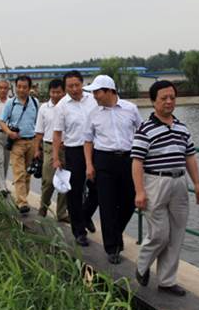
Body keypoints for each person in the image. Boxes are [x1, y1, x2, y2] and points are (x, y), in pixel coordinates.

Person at [131, 80, 199, 296]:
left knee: (177, 234)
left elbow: (190, 156)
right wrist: (139, 191)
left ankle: (167, 280)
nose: (169, 101)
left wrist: (197, 184)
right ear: (153, 101)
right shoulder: (145, 129)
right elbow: (137, 161)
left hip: (179, 182)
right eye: (164, 98)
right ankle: (142, 265)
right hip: (156, 182)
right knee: (160, 234)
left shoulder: (182, 127)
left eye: (172, 97)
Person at [83, 75, 142, 264]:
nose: (94, 96)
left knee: (130, 201)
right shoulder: (93, 113)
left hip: (128, 159)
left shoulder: (131, 109)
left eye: (97, 92)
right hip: (104, 160)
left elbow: (142, 132)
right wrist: (89, 165)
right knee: (107, 204)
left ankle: (116, 232)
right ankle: (112, 247)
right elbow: (88, 141)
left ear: (109, 91)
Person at [53, 70, 99, 247]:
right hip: (74, 150)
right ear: (65, 87)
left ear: (82, 83)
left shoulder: (93, 99)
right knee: (75, 191)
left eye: (76, 85)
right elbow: (57, 134)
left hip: (96, 148)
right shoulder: (62, 106)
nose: (74, 89)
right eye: (70, 86)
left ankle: (86, 215)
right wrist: (56, 157)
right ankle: (79, 231)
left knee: (98, 187)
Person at [0, 76, 39, 213]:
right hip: (17, 143)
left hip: (32, 141)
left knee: (28, 173)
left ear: (29, 88)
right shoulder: (10, 103)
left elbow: (38, 123)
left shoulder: (35, 102)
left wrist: (38, 144)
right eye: (19, 87)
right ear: (15, 87)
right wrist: (9, 132)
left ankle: (22, 198)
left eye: (24, 87)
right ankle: (22, 202)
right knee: (19, 172)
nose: (21, 90)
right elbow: (2, 122)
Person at [33, 79, 68, 221]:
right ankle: (43, 207)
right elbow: (39, 131)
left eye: (58, 92)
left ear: (63, 92)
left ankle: (62, 213)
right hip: (48, 147)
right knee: (47, 181)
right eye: (53, 92)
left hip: (67, 148)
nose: (55, 95)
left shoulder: (68, 106)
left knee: (64, 182)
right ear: (49, 92)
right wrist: (37, 149)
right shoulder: (44, 108)